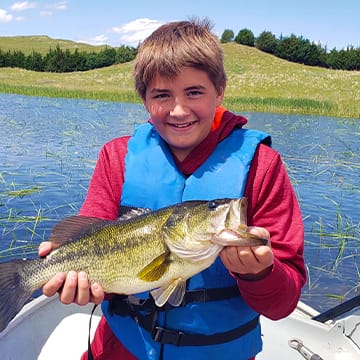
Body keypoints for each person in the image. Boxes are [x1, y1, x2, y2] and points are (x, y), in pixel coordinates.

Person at [39, 18, 306, 360]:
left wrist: (259, 273)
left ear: (220, 90)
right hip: (121, 347)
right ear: (145, 99)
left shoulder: (262, 166)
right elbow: (101, 261)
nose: (179, 110)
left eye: (194, 92)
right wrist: (85, 288)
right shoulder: (117, 156)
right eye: (162, 95)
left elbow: (282, 304)